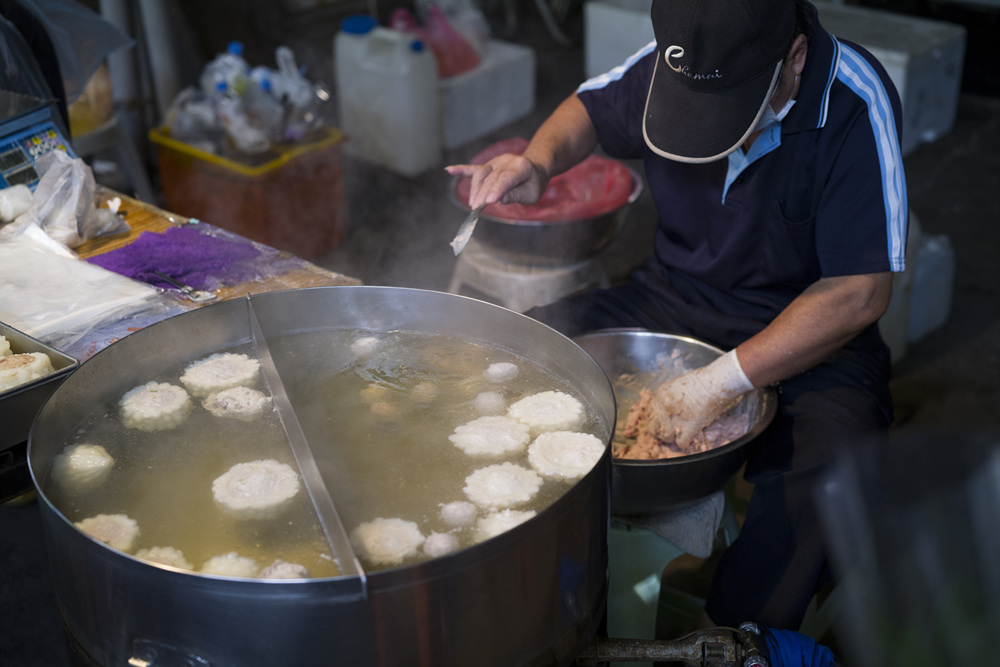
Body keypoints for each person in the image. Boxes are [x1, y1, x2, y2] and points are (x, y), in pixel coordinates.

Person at [446, 0, 907, 631]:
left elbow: (859, 292)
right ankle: (516, 592)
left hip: (811, 334)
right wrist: (539, 162)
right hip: (671, 298)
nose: (720, 135)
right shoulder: (678, 61)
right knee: (522, 352)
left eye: (734, 114)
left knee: (825, 476)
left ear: (794, 58)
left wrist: (723, 380)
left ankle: (729, 639)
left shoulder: (854, 101)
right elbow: (590, 108)